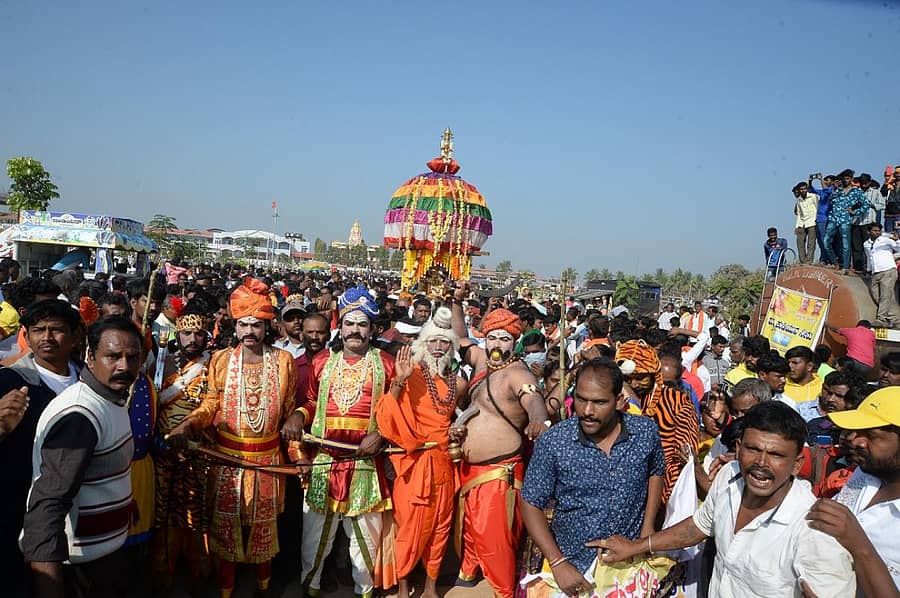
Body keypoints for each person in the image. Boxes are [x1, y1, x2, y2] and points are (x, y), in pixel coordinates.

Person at [595, 401, 856, 597]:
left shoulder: (814, 529)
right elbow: (698, 526)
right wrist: (636, 546)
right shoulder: (728, 478)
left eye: (776, 455)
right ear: (738, 448)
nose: (761, 464)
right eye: (753, 449)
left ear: (797, 464)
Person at [168, 277, 300, 597]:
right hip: (227, 462)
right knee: (226, 531)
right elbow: (211, 403)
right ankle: (226, 590)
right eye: (243, 325)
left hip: (268, 462)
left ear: (267, 326)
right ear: (235, 326)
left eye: (256, 325)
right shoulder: (222, 360)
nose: (250, 332)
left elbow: (289, 410)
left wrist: (299, 455)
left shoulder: (284, 362)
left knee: (263, 532)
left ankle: (263, 589)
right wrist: (188, 425)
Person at [21, 317, 144, 598]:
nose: (124, 366)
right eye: (113, 356)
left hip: (105, 559)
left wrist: (124, 502)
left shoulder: (110, 399)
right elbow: (46, 509)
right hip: (81, 572)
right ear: (90, 356)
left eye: (132, 357)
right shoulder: (80, 415)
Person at [520, 358, 664, 596]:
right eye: (581, 399)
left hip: (630, 567)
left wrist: (647, 528)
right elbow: (530, 501)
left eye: (599, 402)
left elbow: (655, 472)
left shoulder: (645, 432)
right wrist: (557, 563)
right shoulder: (554, 442)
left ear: (619, 401)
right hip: (574, 570)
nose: (587, 411)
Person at [449, 287, 549, 598]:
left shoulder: (517, 373)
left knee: (496, 540)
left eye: (505, 339)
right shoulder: (481, 361)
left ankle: (504, 591)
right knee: (469, 531)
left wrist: (538, 419)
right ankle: (469, 571)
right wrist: (455, 300)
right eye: (492, 337)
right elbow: (460, 338)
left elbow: (533, 399)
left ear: (515, 342)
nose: (497, 344)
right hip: (468, 470)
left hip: (499, 474)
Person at [297, 285, 395, 598]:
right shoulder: (322, 361)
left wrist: (380, 434)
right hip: (325, 461)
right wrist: (298, 415)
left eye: (362, 324)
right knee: (313, 541)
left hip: (366, 465)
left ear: (372, 329)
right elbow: (312, 401)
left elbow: (397, 413)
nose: (355, 330)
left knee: (365, 543)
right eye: (350, 323)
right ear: (340, 326)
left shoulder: (388, 365)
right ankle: (309, 588)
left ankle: (364, 592)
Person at [376, 307, 467, 598]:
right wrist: (399, 382)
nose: (439, 348)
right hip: (415, 465)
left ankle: (430, 587)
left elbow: (451, 417)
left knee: (440, 528)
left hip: (443, 464)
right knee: (410, 529)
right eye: (433, 342)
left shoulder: (457, 382)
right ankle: (403, 587)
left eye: (445, 343)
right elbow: (386, 418)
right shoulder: (411, 374)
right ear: (422, 345)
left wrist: (456, 429)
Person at [0, 300, 81, 596]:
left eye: (56, 330)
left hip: (79, 509)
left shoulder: (90, 380)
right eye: (38, 330)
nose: (46, 337)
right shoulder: (8, 381)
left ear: (75, 337)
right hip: (20, 508)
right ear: (26, 334)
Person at [807, 387, 900, 595]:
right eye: (858, 430)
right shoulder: (865, 473)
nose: (855, 440)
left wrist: (859, 546)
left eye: (871, 435)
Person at [152, 304, 213, 591]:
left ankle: (197, 570)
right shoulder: (161, 362)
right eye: (187, 333)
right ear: (178, 333)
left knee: (195, 510)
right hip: (163, 449)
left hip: (196, 449)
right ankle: (162, 568)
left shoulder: (213, 366)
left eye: (198, 333)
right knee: (161, 509)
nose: (193, 339)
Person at [615, 339, 699, 505]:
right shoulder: (611, 398)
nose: (634, 384)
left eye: (640, 378)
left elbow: (683, 454)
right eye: (627, 379)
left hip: (662, 494)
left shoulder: (676, 401)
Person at [824, 169, 871, 271]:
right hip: (833, 218)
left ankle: (845, 267)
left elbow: (867, 204)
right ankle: (835, 262)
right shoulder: (838, 190)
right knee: (826, 242)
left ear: (851, 179)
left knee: (846, 245)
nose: (845, 181)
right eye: (844, 179)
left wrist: (855, 212)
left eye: (847, 178)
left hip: (845, 220)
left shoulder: (856, 191)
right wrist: (835, 190)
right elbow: (830, 201)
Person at [864, 222, 900, 327]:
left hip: (888, 269)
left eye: (879, 230)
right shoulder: (866, 244)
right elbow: (869, 257)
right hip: (875, 271)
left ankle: (881, 319)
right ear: (869, 232)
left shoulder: (885, 240)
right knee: (877, 294)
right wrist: (868, 269)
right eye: (875, 231)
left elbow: (898, 247)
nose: (877, 232)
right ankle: (894, 318)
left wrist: (897, 240)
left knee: (885, 295)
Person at [793, 181, 819, 264]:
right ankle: (802, 261)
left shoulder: (813, 196)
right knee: (800, 242)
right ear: (799, 190)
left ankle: (809, 261)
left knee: (811, 243)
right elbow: (799, 214)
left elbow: (818, 207)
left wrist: (817, 220)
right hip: (802, 223)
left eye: (805, 189)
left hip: (813, 222)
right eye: (801, 189)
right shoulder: (799, 200)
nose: (803, 190)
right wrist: (797, 226)